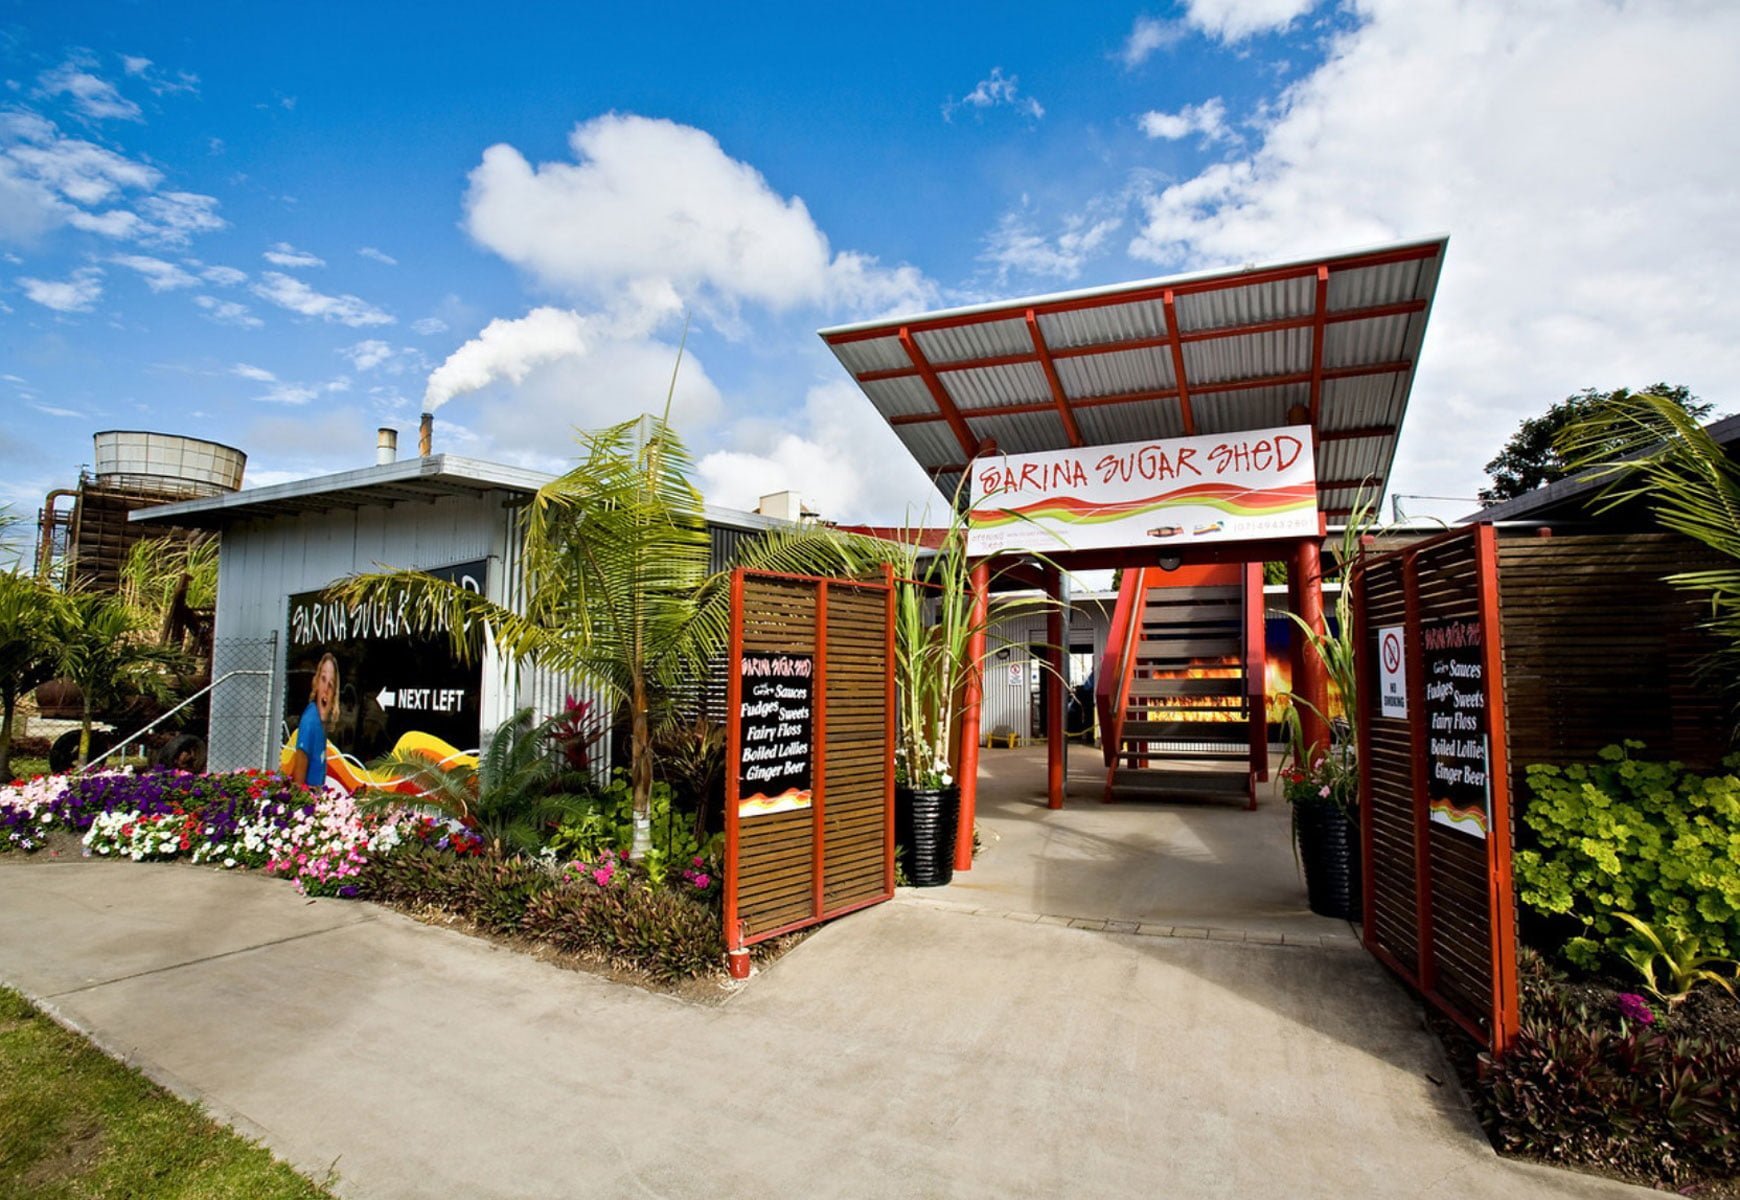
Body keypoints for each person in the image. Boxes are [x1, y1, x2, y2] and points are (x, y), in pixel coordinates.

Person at [288, 652, 339, 789]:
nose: (326, 688)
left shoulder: (322, 721)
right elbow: (298, 783)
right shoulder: (310, 720)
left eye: (331, 683)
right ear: (316, 683)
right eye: (323, 679)